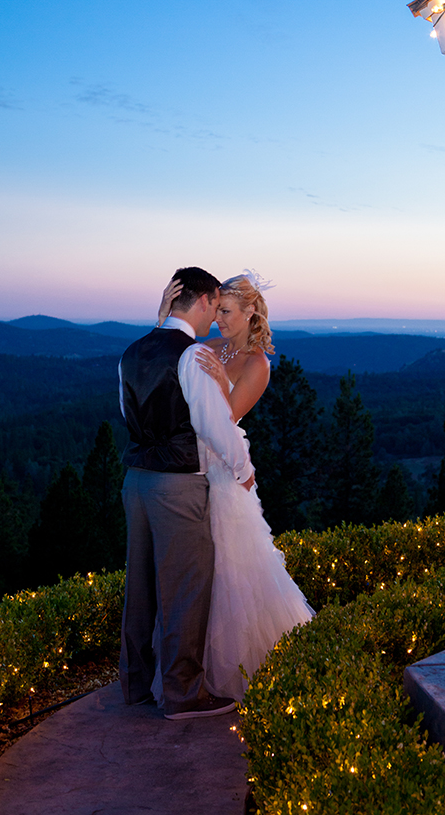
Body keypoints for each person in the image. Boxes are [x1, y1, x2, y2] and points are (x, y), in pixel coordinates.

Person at [156, 270, 314, 701]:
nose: (219, 319)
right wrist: (162, 320)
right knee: (197, 572)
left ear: (250, 313)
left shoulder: (257, 364)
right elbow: (170, 366)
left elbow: (223, 418)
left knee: (233, 572)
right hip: (191, 470)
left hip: (225, 475)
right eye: (217, 310)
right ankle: (190, 667)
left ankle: (242, 667)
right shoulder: (208, 346)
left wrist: (220, 381)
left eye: (227, 312)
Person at [118, 266, 254, 719]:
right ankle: (182, 694)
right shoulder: (191, 356)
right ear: (203, 299)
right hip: (178, 484)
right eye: (216, 305)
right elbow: (214, 427)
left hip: (136, 481)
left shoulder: (132, 353)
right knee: (185, 590)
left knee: (139, 588)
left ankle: (135, 686)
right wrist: (244, 470)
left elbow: (128, 412)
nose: (216, 314)